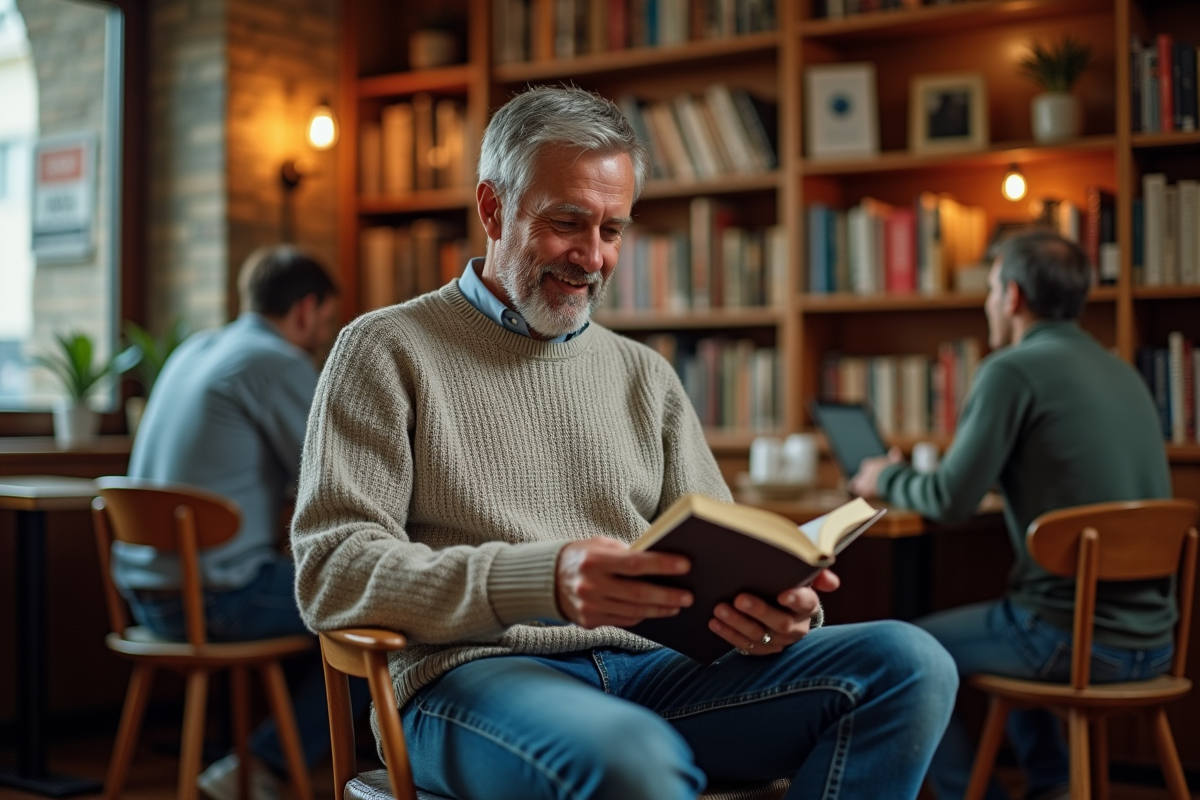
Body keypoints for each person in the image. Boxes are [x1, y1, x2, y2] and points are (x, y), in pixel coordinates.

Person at [291, 85, 957, 800]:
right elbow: (332, 572)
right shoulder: (385, 349)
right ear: (493, 208)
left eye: (612, 231)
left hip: (658, 674)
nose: (592, 257)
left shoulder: (645, 375)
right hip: (472, 676)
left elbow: (725, 550)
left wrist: (776, 612)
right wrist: (543, 579)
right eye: (567, 223)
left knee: (911, 664)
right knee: (632, 759)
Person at [850, 230, 1174, 800]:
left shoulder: (1011, 370)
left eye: (991, 288)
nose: (987, 302)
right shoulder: (1122, 370)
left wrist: (884, 478)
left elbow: (951, 499)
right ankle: (1051, 786)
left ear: (1013, 296)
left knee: (905, 658)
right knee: (1014, 611)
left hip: (1073, 640)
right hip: (1156, 640)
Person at [112, 245, 365, 800]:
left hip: (144, 596)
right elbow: (335, 475)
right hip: (216, 600)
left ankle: (257, 759)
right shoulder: (277, 361)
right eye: (326, 320)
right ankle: (259, 766)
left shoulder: (194, 348)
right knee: (383, 612)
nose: (323, 334)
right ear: (305, 309)